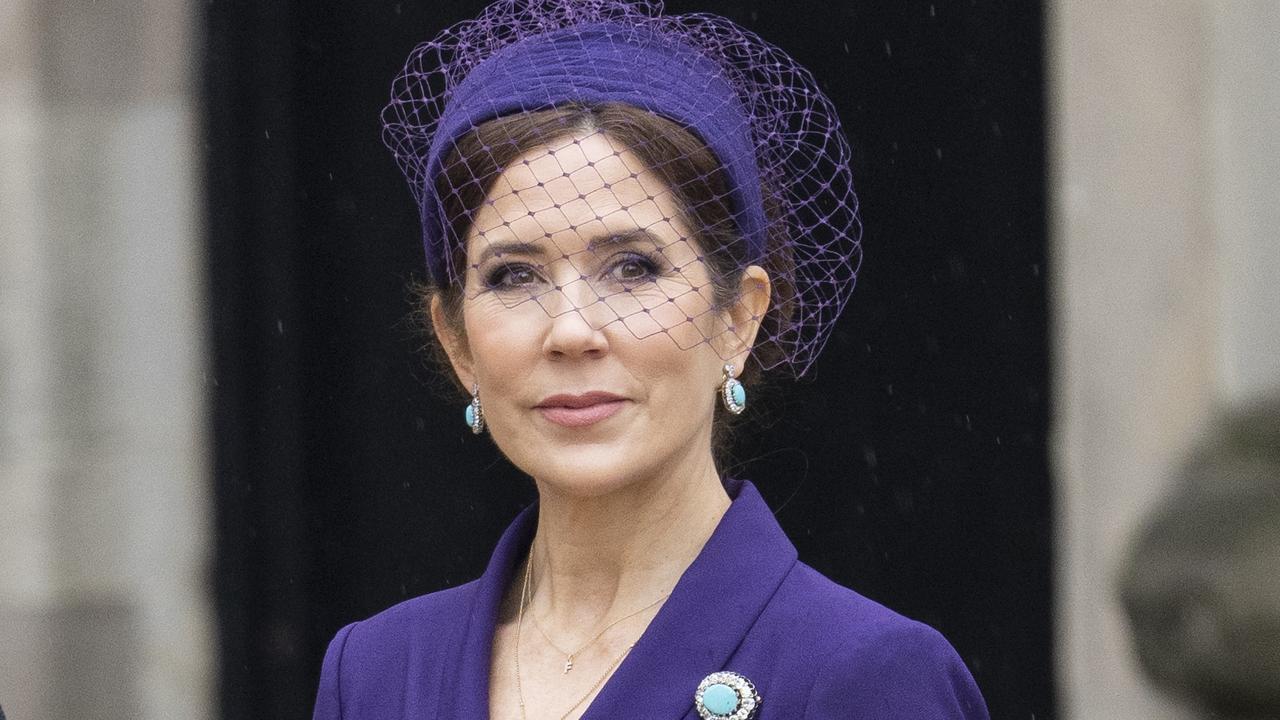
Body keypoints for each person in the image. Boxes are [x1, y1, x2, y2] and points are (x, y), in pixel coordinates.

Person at [314, 1, 988, 718]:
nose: (571, 330)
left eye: (632, 268)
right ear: (456, 342)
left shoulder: (863, 674)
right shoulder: (377, 673)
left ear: (737, 318)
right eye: (514, 275)